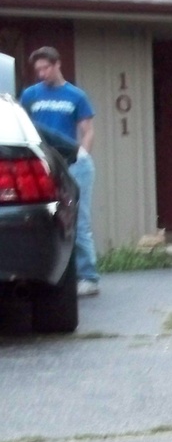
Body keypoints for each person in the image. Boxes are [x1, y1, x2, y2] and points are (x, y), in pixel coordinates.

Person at [20, 46, 98, 296]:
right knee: (48, 218)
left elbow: (87, 130)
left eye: (45, 68)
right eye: (38, 70)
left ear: (57, 65)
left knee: (78, 219)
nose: (41, 73)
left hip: (74, 164)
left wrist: (82, 156)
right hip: (44, 165)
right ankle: (57, 276)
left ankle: (88, 277)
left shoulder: (76, 96)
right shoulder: (30, 95)